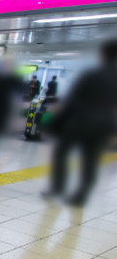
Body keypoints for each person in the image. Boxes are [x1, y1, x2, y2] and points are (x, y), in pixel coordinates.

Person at [43, 40, 117, 206]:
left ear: (103, 54)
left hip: (79, 123)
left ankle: (57, 188)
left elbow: (71, 101)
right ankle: (81, 195)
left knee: (61, 153)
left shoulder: (91, 75)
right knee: (90, 159)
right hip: (102, 126)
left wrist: (54, 120)